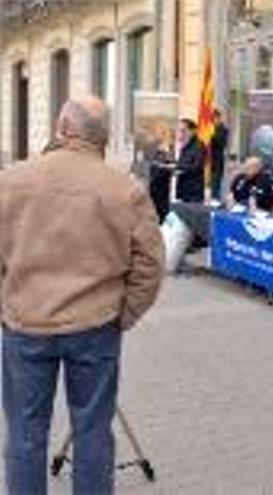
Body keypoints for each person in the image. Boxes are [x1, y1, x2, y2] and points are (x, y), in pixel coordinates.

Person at [0, 97, 165, 495]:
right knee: (92, 432)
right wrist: (124, 314)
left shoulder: (12, 179)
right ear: (104, 137)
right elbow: (151, 263)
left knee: (25, 430)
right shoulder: (125, 189)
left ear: (62, 126)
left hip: (26, 323)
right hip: (95, 325)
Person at [175, 118, 205, 203]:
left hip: (193, 193)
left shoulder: (199, 146)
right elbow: (181, 164)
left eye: (183, 131)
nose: (180, 134)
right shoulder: (184, 146)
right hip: (183, 191)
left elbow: (197, 166)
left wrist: (178, 167)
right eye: (179, 131)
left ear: (192, 131)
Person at [210, 109, 229, 201]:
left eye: (214, 118)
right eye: (212, 119)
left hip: (217, 160)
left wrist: (212, 136)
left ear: (218, 118)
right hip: (210, 159)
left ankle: (215, 200)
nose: (213, 121)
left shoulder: (223, 130)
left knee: (216, 183)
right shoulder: (211, 128)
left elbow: (222, 144)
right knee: (211, 183)